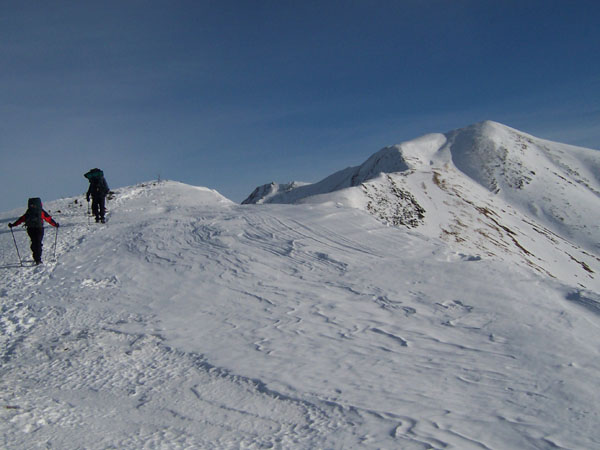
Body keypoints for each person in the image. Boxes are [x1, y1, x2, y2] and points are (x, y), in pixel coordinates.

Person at [8, 197, 59, 265]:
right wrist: (55, 224)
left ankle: (37, 258)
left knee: (35, 243)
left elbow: (21, 219)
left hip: (30, 229)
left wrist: (13, 225)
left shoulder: (29, 212)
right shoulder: (41, 211)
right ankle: (37, 259)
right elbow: (48, 219)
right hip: (39, 229)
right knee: (37, 243)